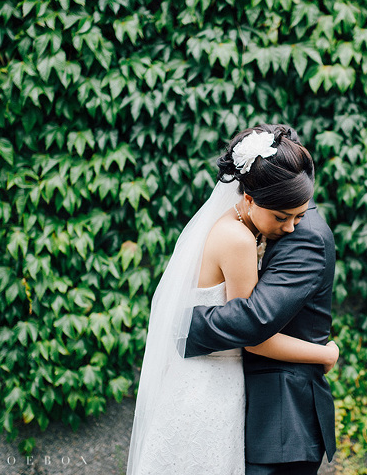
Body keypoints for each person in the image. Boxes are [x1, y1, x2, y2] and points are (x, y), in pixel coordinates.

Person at [126, 124, 339, 475]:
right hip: (211, 387)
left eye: (297, 216)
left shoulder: (228, 225)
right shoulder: (240, 240)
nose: (290, 228)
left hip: (197, 383)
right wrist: (326, 353)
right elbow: (251, 330)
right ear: (251, 199)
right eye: (282, 217)